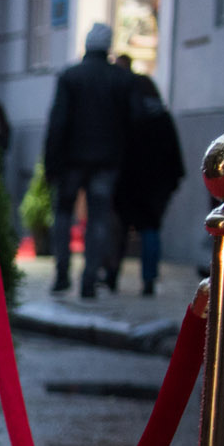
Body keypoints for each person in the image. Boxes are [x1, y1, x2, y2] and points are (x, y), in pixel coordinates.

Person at [44, 22, 137, 297]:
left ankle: (62, 274)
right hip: (106, 161)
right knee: (98, 219)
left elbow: (57, 122)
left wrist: (51, 162)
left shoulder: (71, 76)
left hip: (72, 160)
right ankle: (88, 280)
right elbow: (133, 122)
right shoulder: (121, 79)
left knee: (63, 214)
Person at [111, 56, 184, 296]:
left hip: (129, 184)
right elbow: (174, 154)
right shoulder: (162, 118)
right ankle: (149, 280)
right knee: (151, 231)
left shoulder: (129, 119)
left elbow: (121, 151)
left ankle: (112, 275)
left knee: (119, 230)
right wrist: (173, 181)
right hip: (157, 186)